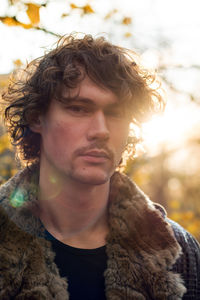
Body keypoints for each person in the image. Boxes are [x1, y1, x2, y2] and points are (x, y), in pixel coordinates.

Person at [0, 34, 199, 300]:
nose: (101, 131)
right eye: (79, 108)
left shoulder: (178, 251)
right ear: (37, 118)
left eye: (115, 113)